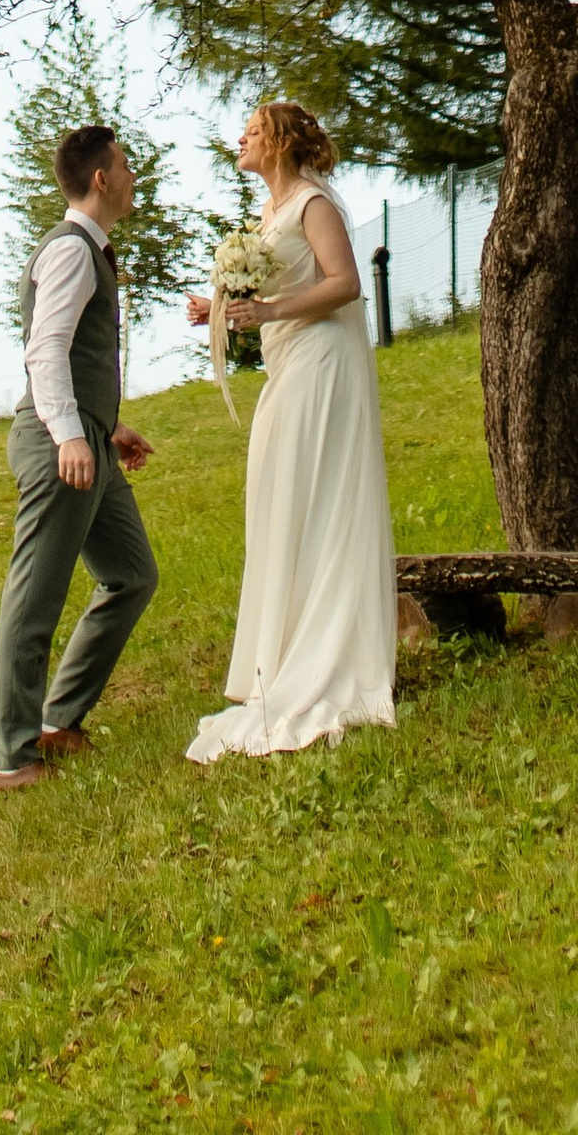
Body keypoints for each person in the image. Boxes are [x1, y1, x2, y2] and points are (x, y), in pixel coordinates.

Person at [184, 99, 396, 762]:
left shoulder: (312, 204)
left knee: (315, 496)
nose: (240, 139)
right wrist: (219, 308)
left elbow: (346, 285)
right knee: (278, 499)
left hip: (321, 365)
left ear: (279, 142)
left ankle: (326, 656)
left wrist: (269, 307)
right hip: (286, 365)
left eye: (252, 130)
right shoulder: (269, 216)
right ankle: (281, 654)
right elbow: (271, 297)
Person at [0, 122, 158, 788]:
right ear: (100, 179)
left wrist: (106, 426)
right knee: (34, 600)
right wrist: (67, 434)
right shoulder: (69, 251)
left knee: (132, 575)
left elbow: (71, 354)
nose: (133, 178)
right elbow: (45, 349)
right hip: (60, 444)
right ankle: (14, 757)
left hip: (87, 437)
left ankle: (59, 722)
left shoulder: (91, 249)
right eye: (127, 167)